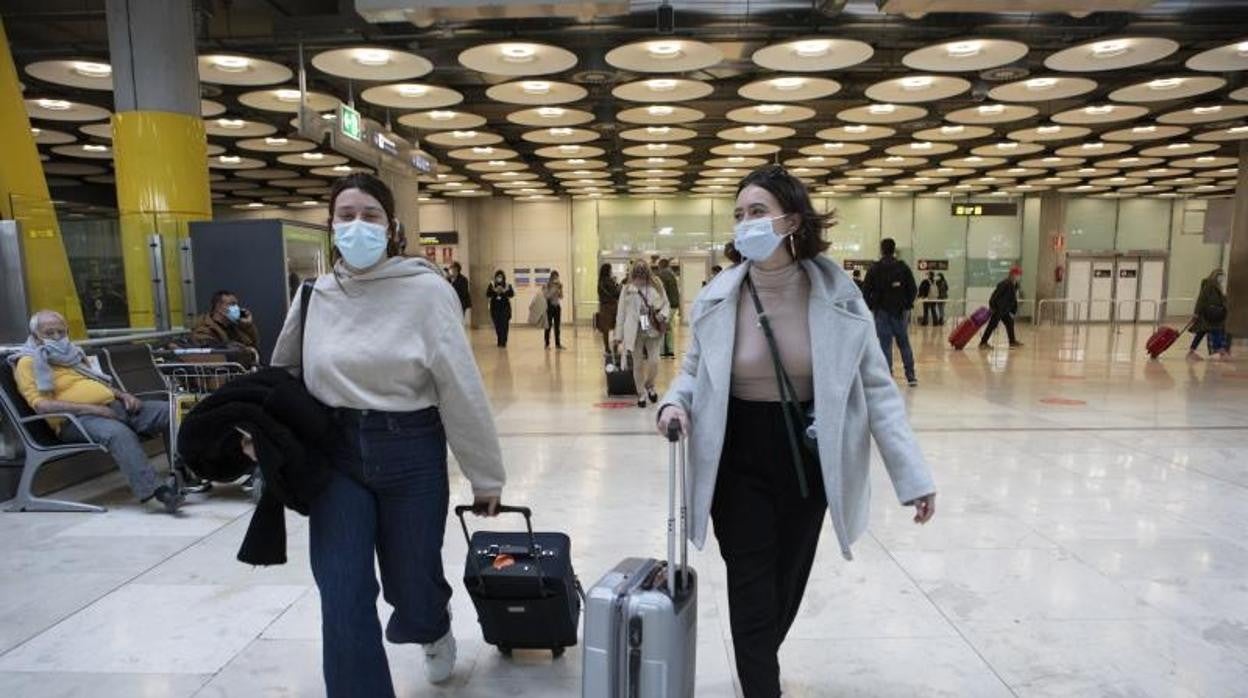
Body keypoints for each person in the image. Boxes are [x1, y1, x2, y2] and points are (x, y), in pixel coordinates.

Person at [656, 165, 936, 698]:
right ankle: (764, 686)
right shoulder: (720, 295)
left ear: (792, 221)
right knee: (750, 582)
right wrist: (673, 404)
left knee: (786, 580)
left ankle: (759, 657)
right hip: (737, 451)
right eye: (739, 215)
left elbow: (877, 389)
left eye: (757, 212)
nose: (745, 224)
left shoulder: (839, 295)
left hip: (809, 451)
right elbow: (692, 370)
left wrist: (913, 477)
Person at [269, 173, 506, 696]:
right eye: (346, 215)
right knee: (343, 590)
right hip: (334, 455)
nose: (357, 226)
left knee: (412, 585)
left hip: (411, 449)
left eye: (370, 215)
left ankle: (433, 623)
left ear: (392, 226)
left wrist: (485, 474)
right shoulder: (314, 295)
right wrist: (262, 431)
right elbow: (283, 374)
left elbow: (459, 387)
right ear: (331, 226)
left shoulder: (426, 291)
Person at [10, 310, 183, 513]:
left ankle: (184, 474)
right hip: (75, 421)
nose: (57, 337)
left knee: (173, 411)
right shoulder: (28, 362)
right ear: (36, 335)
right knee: (118, 433)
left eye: (61, 331)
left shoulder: (72, 355)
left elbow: (98, 382)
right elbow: (41, 405)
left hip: (112, 407)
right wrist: (93, 408)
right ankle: (157, 491)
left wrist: (123, 395)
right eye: (49, 333)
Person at [863, 238, 919, 386]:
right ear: (894, 250)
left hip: (881, 311)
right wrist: (907, 304)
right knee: (904, 343)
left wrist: (872, 306)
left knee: (885, 344)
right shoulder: (903, 268)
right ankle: (911, 375)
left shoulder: (874, 269)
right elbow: (913, 289)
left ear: (881, 250)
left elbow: (865, 290)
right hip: (900, 312)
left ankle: (887, 375)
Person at [616, 260, 671, 408]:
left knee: (655, 361)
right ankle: (641, 393)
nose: (640, 278)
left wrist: (663, 315)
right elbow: (620, 313)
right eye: (637, 274)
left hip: (652, 328)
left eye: (643, 274)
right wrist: (618, 337)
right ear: (633, 274)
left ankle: (649, 385)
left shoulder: (656, 285)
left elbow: (666, 303)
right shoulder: (627, 289)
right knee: (637, 364)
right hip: (634, 330)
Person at [192, 290, 260, 352]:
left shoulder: (236, 326)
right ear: (218, 307)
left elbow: (254, 346)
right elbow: (212, 350)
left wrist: (247, 326)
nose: (236, 308)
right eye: (232, 304)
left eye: (236, 304)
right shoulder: (204, 328)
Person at [1189, 268, 1230, 360]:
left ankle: (1191, 351)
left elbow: (1218, 299)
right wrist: (1196, 313)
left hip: (1212, 314)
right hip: (1208, 314)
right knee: (1216, 330)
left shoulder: (1216, 286)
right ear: (1215, 275)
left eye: (1222, 276)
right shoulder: (1209, 285)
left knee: (1201, 333)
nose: (1221, 278)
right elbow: (1201, 299)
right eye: (1220, 275)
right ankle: (1220, 351)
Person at [980, 266, 1024, 350]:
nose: (1019, 276)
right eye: (1017, 274)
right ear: (1012, 275)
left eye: (1019, 275)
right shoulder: (1005, 283)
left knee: (1010, 323)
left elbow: (1013, 298)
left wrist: (1013, 310)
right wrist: (992, 306)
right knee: (992, 325)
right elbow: (995, 295)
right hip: (998, 308)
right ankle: (983, 343)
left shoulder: (1015, 285)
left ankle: (1012, 341)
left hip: (1005, 310)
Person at [656, 258, 681, 358]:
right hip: (674, 305)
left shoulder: (661, 275)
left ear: (661, 265)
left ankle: (661, 352)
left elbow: (662, 292)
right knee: (669, 328)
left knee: (662, 327)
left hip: (667, 305)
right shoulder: (672, 275)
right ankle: (670, 350)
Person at [596, 263, 621, 356]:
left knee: (605, 329)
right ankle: (615, 347)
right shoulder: (609, 281)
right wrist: (618, 285)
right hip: (612, 306)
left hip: (604, 307)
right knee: (616, 327)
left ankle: (607, 348)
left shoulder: (600, 282)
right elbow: (616, 293)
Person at [486, 270, 515, 348]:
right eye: (498, 277)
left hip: (505, 308)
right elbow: (487, 294)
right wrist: (495, 291)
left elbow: (512, 294)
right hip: (495, 308)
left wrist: (504, 291)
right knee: (497, 325)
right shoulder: (492, 284)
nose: (499, 278)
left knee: (504, 325)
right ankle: (499, 339)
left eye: (501, 277)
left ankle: (504, 340)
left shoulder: (507, 285)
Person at [543, 270, 565, 350]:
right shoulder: (547, 285)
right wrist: (554, 288)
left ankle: (558, 344)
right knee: (548, 326)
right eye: (555, 277)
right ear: (551, 277)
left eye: (557, 277)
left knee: (557, 326)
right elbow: (547, 296)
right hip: (550, 307)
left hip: (557, 307)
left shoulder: (558, 285)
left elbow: (561, 297)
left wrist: (560, 289)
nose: (556, 279)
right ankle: (547, 344)